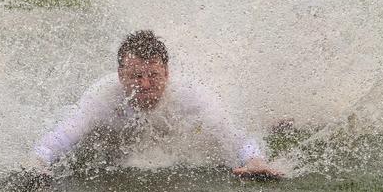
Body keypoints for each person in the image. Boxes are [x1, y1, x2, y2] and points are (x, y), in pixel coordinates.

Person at [33, 30, 282, 179]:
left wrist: (255, 161)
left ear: (167, 73)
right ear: (121, 76)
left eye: (153, 75)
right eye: (135, 76)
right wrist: (37, 162)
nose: (145, 83)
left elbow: (232, 133)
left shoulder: (189, 95)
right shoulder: (104, 96)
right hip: (108, 145)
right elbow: (64, 133)